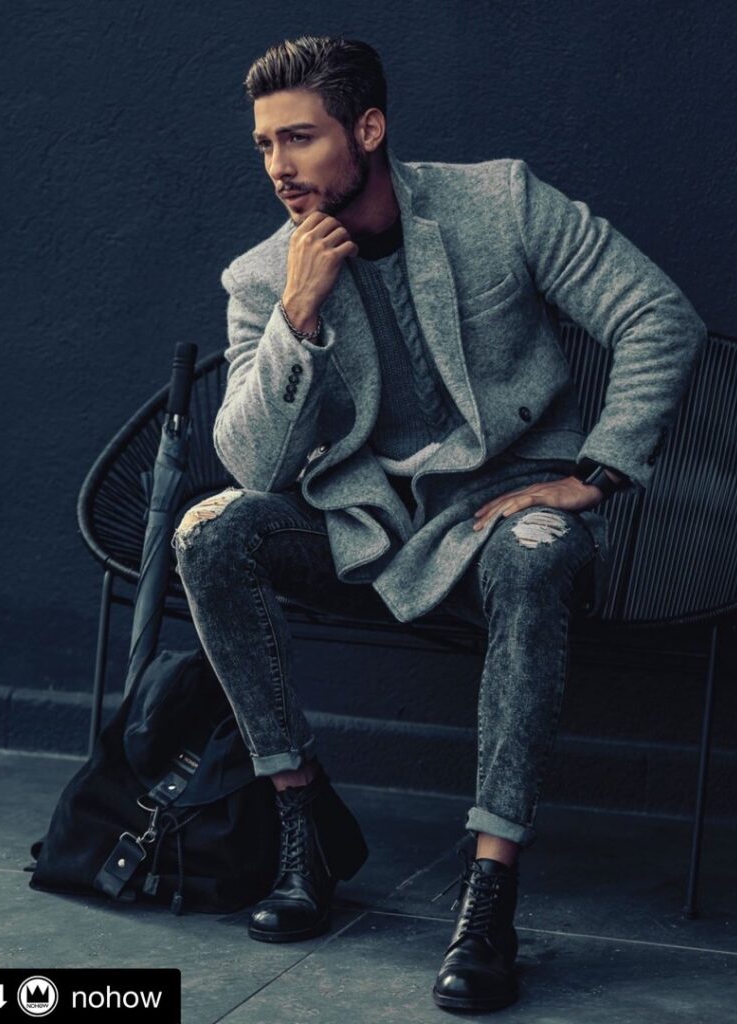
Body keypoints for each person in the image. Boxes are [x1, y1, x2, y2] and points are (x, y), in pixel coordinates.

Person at [171, 34, 706, 1014]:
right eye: (264, 145)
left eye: (300, 138)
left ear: (368, 129)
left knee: (535, 556)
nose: (278, 166)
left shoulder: (500, 202)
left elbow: (657, 318)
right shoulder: (264, 276)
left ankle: (490, 886)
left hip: (509, 511)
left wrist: (595, 472)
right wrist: (297, 319)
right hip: (365, 525)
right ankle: (302, 822)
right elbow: (253, 466)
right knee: (210, 531)